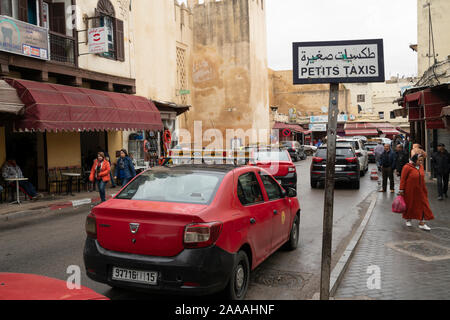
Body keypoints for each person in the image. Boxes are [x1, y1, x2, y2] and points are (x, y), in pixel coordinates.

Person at [399, 154, 434, 231]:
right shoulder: (407, 167)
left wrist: (424, 189)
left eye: (422, 160)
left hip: (420, 190)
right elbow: (403, 179)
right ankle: (408, 218)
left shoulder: (421, 167)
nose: (421, 162)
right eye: (419, 160)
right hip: (410, 190)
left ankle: (422, 223)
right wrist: (401, 190)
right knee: (410, 204)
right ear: (414, 160)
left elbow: (422, 178)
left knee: (423, 205)